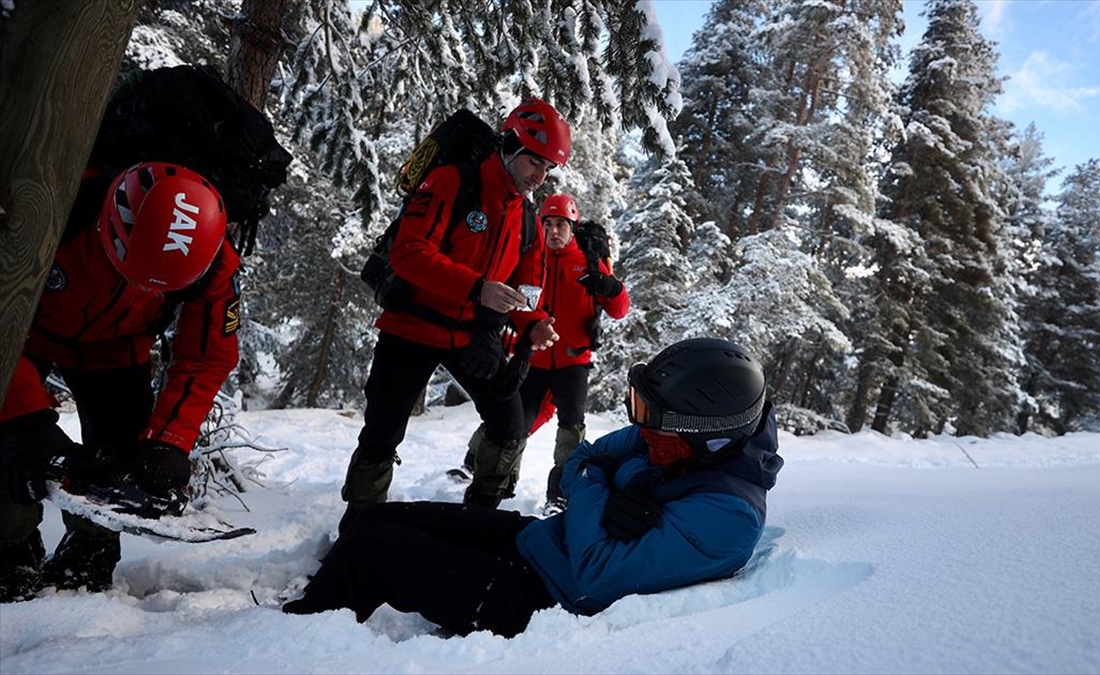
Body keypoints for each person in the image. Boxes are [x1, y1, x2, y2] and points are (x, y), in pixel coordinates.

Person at [281, 337, 783, 638]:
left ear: (707, 434)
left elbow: (595, 576)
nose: (641, 427)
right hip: (544, 542)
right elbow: (583, 459)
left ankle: (297, 636)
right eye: (640, 410)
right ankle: (323, 594)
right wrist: (598, 485)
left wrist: (596, 484)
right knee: (377, 519)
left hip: (539, 602)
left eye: (653, 418)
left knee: (376, 549)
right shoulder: (679, 438)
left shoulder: (728, 519)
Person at [0, 162, 241, 602]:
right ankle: (9, 551)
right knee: (15, 452)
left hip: (117, 342)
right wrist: (23, 418)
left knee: (120, 460)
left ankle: (89, 556)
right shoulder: (53, 202)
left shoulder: (213, 262)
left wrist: (171, 440)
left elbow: (208, 356)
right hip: (20, 327)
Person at [340, 98, 571, 526]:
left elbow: (525, 288)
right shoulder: (451, 181)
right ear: (509, 148)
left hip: (473, 337)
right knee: (382, 432)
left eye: (546, 169)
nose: (539, 176)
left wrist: (534, 323)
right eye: (533, 163)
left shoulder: (528, 218)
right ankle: (359, 527)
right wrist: (477, 289)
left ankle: (477, 518)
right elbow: (409, 254)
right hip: (410, 326)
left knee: (509, 428)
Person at [451, 194, 629, 515]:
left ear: (572, 227)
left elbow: (619, 310)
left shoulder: (589, 264)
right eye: (547, 223)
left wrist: (611, 286)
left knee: (571, 429)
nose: (554, 230)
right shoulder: (531, 260)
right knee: (517, 420)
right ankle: (480, 469)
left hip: (574, 363)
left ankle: (559, 496)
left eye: (561, 224)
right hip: (532, 359)